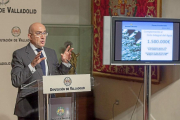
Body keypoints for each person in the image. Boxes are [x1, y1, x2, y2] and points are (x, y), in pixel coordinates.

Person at [11, 22, 73, 120]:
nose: (43, 36)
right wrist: (31, 66)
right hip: (28, 107)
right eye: (38, 33)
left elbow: (57, 76)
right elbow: (16, 81)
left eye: (44, 33)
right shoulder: (19, 54)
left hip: (50, 104)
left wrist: (65, 63)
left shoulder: (51, 52)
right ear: (29, 36)